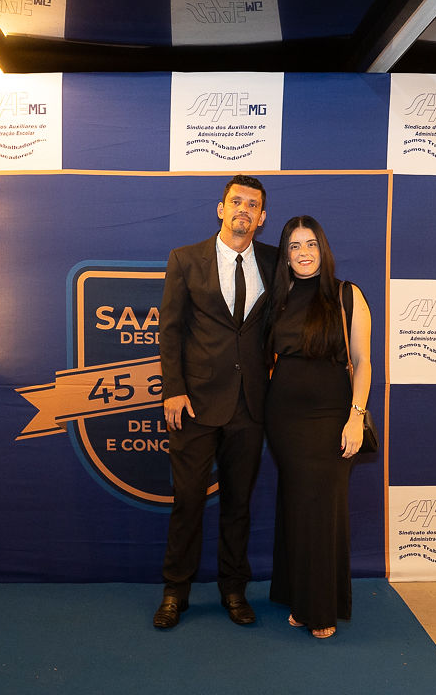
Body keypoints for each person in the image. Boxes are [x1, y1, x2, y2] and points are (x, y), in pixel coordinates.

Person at [153, 174, 278, 629]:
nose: (244, 209)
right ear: (221, 209)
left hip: (250, 405)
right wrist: (173, 389)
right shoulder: (186, 259)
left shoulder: (275, 261)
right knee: (188, 501)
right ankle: (175, 591)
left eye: (253, 205)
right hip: (194, 404)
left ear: (261, 218)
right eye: (236, 201)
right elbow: (169, 330)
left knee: (238, 505)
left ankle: (233, 589)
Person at [264, 215, 372, 639]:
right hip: (284, 420)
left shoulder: (347, 295)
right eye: (294, 246)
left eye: (310, 244)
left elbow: (362, 362)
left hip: (332, 418)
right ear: (286, 256)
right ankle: (299, 597)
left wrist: (355, 417)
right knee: (297, 506)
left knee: (323, 510)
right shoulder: (279, 297)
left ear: (323, 249)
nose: (303, 252)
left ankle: (321, 607)